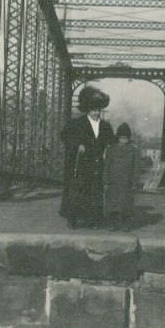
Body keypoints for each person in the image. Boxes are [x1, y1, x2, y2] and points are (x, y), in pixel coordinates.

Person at [59, 86, 115, 228]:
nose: (97, 113)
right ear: (87, 110)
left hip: (97, 163)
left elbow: (111, 141)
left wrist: (108, 149)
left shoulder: (105, 126)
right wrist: (77, 145)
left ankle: (93, 220)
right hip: (80, 163)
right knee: (78, 190)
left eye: (98, 110)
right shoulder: (76, 123)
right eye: (94, 110)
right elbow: (64, 136)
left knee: (95, 191)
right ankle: (72, 218)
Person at [103, 123, 137, 231]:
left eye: (125, 138)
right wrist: (106, 181)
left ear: (128, 138)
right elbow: (107, 166)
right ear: (118, 138)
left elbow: (136, 168)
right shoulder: (111, 149)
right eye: (121, 138)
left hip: (127, 182)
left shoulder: (133, 150)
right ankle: (112, 224)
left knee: (126, 204)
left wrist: (134, 182)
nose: (123, 140)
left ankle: (125, 224)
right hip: (113, 181)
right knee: (112, 204)